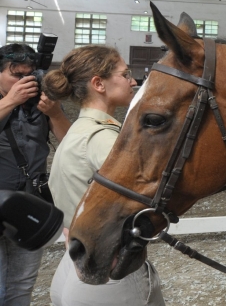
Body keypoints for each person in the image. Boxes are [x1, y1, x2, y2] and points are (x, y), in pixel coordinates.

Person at [43, 45, 165, 306]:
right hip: (108, 271)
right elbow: (150, 195)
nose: (133, 81)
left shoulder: (82, 128)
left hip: (76, 260)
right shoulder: (103, 139)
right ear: (98, 83)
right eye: (125, 74)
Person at [0, 43, 71, 306]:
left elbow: (69, 143)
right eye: (16, 75)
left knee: (22, 283)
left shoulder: (39, 104)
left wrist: (55, 112)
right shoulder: (9, 99)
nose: (25, 81)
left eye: (29, 74)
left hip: (29, 204)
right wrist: (10, 101)